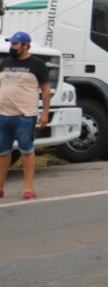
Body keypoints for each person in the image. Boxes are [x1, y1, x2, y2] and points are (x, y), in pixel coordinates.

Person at [0, 31, 51, 200]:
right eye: (11, 43)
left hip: (24, 116)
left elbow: (45, 90)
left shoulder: (37, 64)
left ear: (25, 45)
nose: (12, 47)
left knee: (26, 151)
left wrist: (44, 113)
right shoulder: (5, 63)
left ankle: (28, 189)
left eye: (15, 44)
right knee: (3, 152)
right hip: (3, 115)